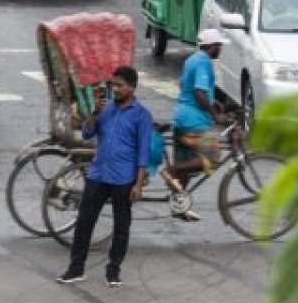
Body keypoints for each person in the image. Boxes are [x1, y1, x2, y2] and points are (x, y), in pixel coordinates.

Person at [56, 66, 154, 288]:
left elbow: (143, 153)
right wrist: (94, 112)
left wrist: (138, 184)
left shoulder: (141, 115)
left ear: (132, 87)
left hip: (123, 178)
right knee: (84, 221)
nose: (115, 89)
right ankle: (76, 268)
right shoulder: (105, 108)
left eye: (120, 85)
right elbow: (87, 132)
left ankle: (113, 270)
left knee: (121, 225)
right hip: (98, 173)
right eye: (113, 85)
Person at [162, 29, 227, 222]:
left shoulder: (192, 60)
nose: (220, 49)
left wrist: (213, 101)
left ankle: (179, 206)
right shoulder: (204, 62)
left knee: (186, 167)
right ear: (212, 46)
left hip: (181, 117)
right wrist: (215, 114)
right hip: (194, 122)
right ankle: (169, 172)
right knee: (213, 156)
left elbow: (185, 85)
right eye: (219, 45)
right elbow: (199, 92)